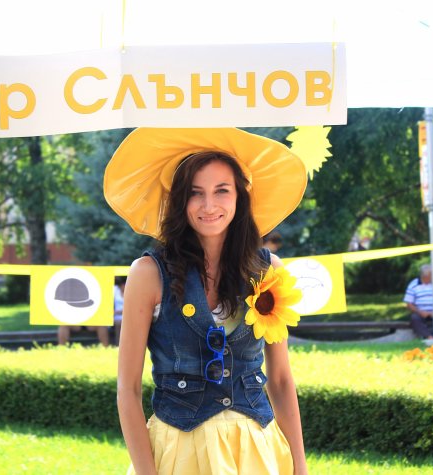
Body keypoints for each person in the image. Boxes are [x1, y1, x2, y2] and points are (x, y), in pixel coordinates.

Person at [104, 128, 309, 475]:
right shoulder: (148, 273)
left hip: (256, 450)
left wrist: (300, 468)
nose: (209, 205)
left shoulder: (269, 270)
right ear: (179, 201)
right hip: (179, 452)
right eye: (195, 193)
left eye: (221, 191)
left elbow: (281, 381)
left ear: (240, 196)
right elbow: (128, 389)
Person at [403, 264, 433, 340]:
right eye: (428, 277)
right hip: (420, 312)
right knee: (414, 318)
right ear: (422, 276)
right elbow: (409, 304)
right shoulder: (413, 284)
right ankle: (429, 337)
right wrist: (420, 312)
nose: (430, 279)